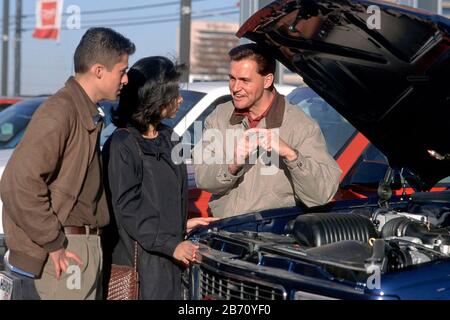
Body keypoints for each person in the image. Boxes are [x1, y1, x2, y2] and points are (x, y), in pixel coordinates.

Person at [0, 27, 136, 299]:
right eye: (121, 70)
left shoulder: (83, 110)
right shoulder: (61, 111)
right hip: (65, 250)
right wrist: (54, 243)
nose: (126, 79)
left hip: (78, 246)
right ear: (99, 70)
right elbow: (18, 183)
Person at [103, 56, 217, 300]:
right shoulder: (123, 143)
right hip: (142, 267)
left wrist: (180, 225)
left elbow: (163, 198)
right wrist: (171, 244)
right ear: (154, 97)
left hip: (171, 264)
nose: (180, 98)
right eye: (173, 92)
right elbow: (128, 209)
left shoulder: (170, 137)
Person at [194, 43, 342, 218]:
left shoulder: (301, 125)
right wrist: (232, 164)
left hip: (272, 237)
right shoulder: (220, 116)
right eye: (232, 78)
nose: (235, 88)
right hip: (225, 232)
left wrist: (291, 155)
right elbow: (202, 178)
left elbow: (321, 194)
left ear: (267, 80)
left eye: (244, 80)